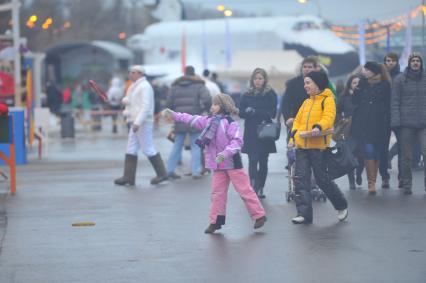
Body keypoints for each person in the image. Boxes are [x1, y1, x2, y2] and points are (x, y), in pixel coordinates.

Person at [162, 93, 267, 233]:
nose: (212, 107)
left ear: (223, 106)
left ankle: (259, 215)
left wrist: (225, 153)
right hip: (217, 165)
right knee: (217, 193)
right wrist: (174, 115)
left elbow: (237, 142)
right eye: (212, 104)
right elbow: (191, 119)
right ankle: (215, 221)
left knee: (244, 190)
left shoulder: (231, 123)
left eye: (215, 104)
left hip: (232, 163)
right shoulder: (208, 121)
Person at [288, 70, 348, 224]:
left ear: (317, 84)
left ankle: (341, 205)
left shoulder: (327, 100)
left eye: (308, 82)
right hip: (302, 146)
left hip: (318, 147)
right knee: (300, 180)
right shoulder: (306, 102)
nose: (305, 86)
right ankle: (304, 214)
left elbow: (328, 117)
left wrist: (318, 127)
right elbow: (297, 121)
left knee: (322, 180)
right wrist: (292, 136)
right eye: (305, 83)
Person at [114, 65, 168, 186]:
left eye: (133, 72)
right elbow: (132, 103)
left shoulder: (145, 86)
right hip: (136, 120)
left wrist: (138, 122)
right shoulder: (134, 86)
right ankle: (128, 177)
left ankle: (162, 174)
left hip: (143, 121)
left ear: (140, 74)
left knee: (147, 148)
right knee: (131, 147)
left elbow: (146, 106)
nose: (130, 74)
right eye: (130, 72)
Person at [351, 62, 391, 195]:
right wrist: (357, 89)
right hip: (364, 123)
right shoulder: (362, 83)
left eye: (367, 69)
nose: (364, 71)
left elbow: (388, 105)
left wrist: (388, 122)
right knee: (368, 151)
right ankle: (371, 183)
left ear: (374, 72)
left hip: (379, 123)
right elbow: (354, 102)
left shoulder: (385, 85)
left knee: (377, 152)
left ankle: (374, 179)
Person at [166, 66, 211, 179]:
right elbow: (207, 99)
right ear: (194, 73)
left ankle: (170, 170)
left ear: (184, 73)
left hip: (179, 119)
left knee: (177, 145)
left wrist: (174, 114)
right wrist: (204, 110)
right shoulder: (199, 85)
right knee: (195, 146)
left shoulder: (174, 87)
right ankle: (196, 171)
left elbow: (168, 104)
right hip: (193, 119)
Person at [239, 68, 277, 198]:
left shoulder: (270, 93)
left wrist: (256, 111)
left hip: (265, 130)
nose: (257, 81)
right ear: (252, 80)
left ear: (264, 79)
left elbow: (272, 113)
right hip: (250, 131)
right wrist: (246, 111)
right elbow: (241, 112)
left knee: (263, 160)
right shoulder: (246, 94)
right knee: (252, 159)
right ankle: (253, 188)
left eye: (260, 78)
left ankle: (261, 187)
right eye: (255, 78)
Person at [391, 53, 426, 195]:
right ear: (409, 63)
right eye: (413, 61)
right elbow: (395, 102)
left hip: (424, 123)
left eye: (418, 61)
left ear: (421, 63)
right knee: (406, 156)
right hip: (406, 123)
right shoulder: (400, 80)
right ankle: (407, 184)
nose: (416, 63)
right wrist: (396, 122)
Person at [336, 74, 364, 189]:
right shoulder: (344, 96)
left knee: (362, 156)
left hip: (363, 129)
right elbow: (337, 111)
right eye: (354, 83)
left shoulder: (365, 95)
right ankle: (351, 180)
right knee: (349, 156)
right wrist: (341, 120)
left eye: (359, 82)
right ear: (350, 85)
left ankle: (359, 174)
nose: (357, 85)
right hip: (349, 130)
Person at [279, 56, 318, 128]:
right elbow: (286, 103)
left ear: (315, 69)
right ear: (301, 68)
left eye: (310, 67)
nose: (307, 69)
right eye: (305, 67)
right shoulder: (292, 83)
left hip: (315, 122)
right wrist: (288, 118)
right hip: (295, 120)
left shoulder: (320, 83)